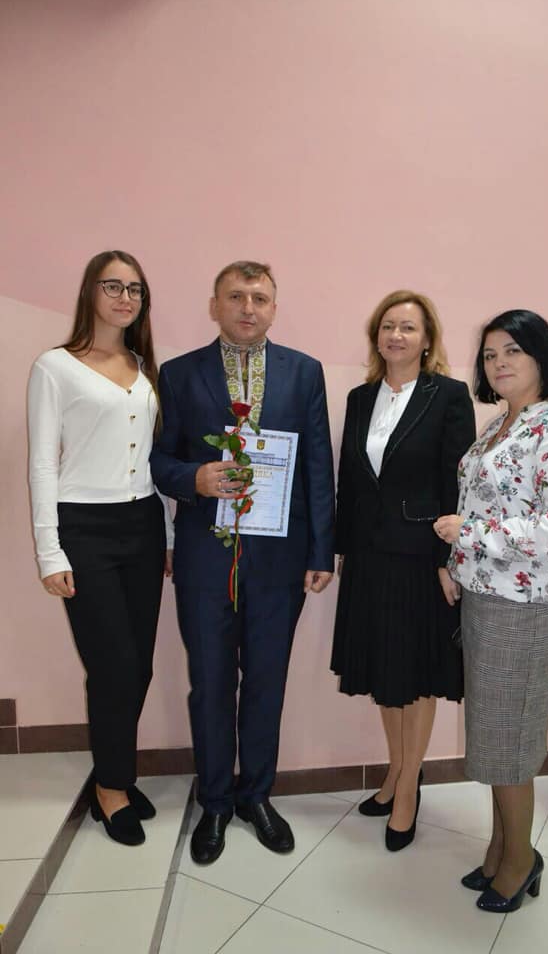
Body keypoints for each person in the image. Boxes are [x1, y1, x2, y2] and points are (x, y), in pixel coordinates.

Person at [150, 260, 335, 864]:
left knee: (266, 680)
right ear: (215, 306)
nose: (248, 307)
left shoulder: (304, 372)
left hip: (281, 559)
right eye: (236, 296)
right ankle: (215, 802)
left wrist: (321, 550)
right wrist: (195, 478)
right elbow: (158, 462)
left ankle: (256, 795)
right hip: (205, 557)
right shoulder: (179, 374)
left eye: (259, 298)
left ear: (274, 308)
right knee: (209, 683)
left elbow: (318, 467)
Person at [434, 310, 548, 912]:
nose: (499, 363)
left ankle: (520, 861)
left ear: (541, 357)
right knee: (496, 734)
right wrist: (456, 563)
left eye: (513, 351)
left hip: (526, 605)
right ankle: (501, 847)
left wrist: (470, 536)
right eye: (490, 354)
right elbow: (481, 504)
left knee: (511, 737)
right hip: (487, 597)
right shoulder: (500, 425)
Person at [27, 250, 173, 847]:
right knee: (112, 664)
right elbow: (42, 462)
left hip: (143, 525)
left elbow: (151, 460)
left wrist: (165, 537)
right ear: (90, 291)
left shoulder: (144, 367)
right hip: (83, 528)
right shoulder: (55, 367)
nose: (124, 298)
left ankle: (117, 772)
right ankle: (110, 789)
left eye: (135, 289)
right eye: (113, 286)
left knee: (138, 665)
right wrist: (50, 552)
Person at [331, 290, 475, 851]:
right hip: (369, 556)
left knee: (415, 678)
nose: (396, 335)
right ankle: (395, 772)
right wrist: (341, 549)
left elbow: (457, 484)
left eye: (408, 327)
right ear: (377, 336)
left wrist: (447, 562)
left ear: (427, 339)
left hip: (421, 557)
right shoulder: (360, 397)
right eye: (388, 326)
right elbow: (350, 480)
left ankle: (410, 787)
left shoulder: (449, 396)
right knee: (386, 676)